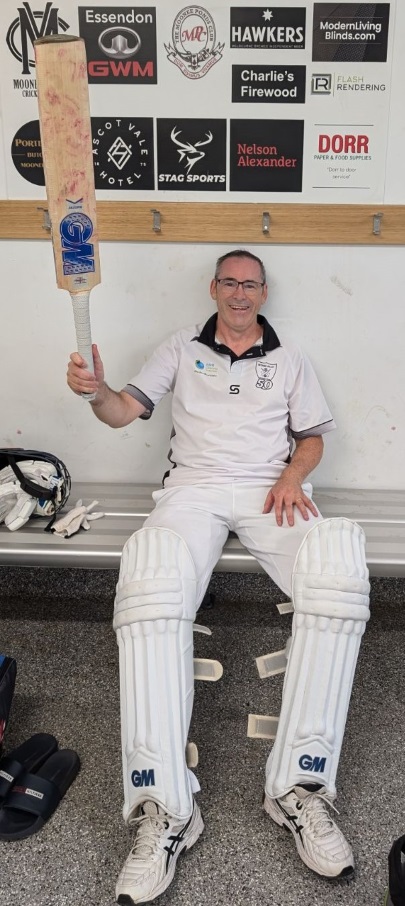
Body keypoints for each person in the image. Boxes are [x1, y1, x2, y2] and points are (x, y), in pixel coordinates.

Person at [67, 250, 370, 905]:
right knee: (149, 582)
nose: (238, 293)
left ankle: (299, 789)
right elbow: (124, 410)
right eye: (228, 282)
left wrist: (292, 475)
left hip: (269, 490)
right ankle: (166, 809)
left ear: (262, 292)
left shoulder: (288, 359)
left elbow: (312, 436)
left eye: (248, 284)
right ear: (213, 288)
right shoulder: (181, 347)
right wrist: (95, 391)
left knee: (335, 573)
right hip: (193, 493)